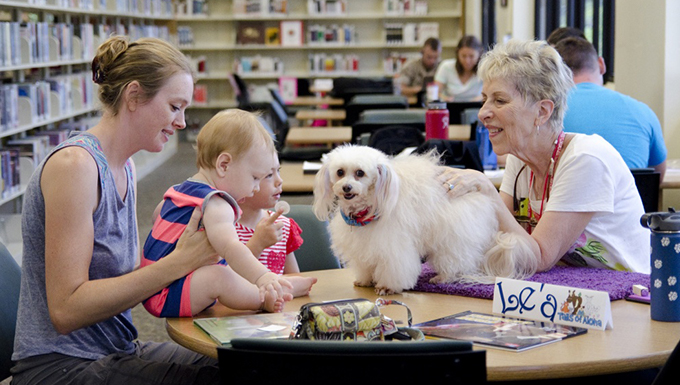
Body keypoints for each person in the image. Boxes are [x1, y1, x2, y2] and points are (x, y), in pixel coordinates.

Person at [12, 36, 221, 384]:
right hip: (59, 367)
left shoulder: (125, 167)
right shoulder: (75, 166)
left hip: (118, 350)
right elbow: (66, 309)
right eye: (174, 106)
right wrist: (178, 263)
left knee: (244, 363)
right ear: (134, 95)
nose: (183, 122)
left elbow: (129, 282)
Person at [441, 39, 649, 274]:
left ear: (542, 111)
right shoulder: (519, 157)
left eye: (499, 100)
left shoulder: (585, 159)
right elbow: (493, 235)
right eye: (484, 99)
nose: (482, 113)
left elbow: (538, 258)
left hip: (631, 297)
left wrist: (486, 190)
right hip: (573, 288)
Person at [142, 109, 316, 318]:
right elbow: (232, 248)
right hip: (168, 294)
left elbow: (157, 215)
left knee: (223, 272)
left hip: (152, 286)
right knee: (220, 275)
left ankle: (282, 285)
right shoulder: (217, 203)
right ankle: (264, 297)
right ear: (224, 165)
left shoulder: (180, 190)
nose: (255, 187)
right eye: (254, 178)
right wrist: (262, 276)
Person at [553, 36, 667, 181]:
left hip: (568, 201)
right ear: (601, 64)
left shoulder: (548, 113)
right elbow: (657, 178)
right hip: (630, 203)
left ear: (556, 73)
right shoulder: (643, 111)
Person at [236, 156, 317, 296]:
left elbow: (295, 281)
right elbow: (229, 282)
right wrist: (257, 244)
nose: (279, 180)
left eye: (278, 171)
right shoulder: (223, 230)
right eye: (268, 175)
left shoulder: (282, 225)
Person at [434, 35, 484, 102]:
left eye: (471, 56)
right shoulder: (446, 66)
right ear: (458, 54)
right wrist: (445, 98)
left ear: (479, 54)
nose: (467, 61)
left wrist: (480, 98)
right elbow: (435, 92)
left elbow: (491, 94)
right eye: (463, 56)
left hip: (475, 109)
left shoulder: (484, 69)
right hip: (451, 108)